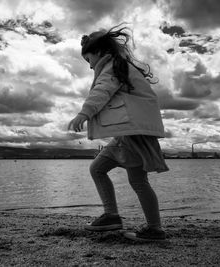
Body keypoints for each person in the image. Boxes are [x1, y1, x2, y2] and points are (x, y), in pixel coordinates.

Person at [68, 24, 169, 241]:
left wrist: (83, 113)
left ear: (99, 52)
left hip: (133, 133)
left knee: (138, 181)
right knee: (97, 168)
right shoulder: (117, 65)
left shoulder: (113, 67)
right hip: (127, 132)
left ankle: (154, 229)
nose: (89, 66)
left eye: (88, 59)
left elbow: (102, 90)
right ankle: (112, 216)